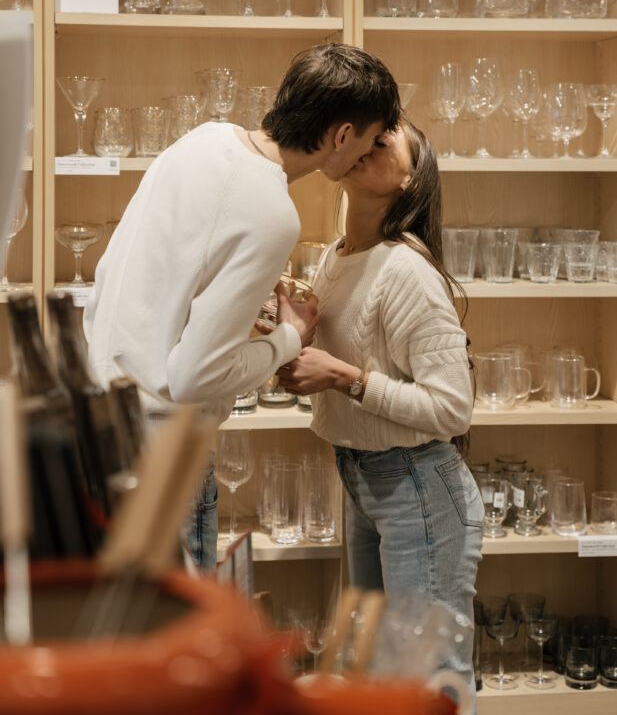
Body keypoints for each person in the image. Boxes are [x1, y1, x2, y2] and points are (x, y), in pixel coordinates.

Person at [83, 43, 401, 570]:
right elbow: (193, 376)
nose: (367, 156)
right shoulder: (273, 212)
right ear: (342, 134)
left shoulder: (201, 139)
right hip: (163, 449)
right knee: (180, 644)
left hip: (97, 426)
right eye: (368, 142)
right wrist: (289, 339)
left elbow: (131, 280)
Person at [277, 118, 483, 705]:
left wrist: (343, 377)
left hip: (418, 487)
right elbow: (348, 367)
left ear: (411, 178)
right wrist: (297, 341)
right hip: (368, 479)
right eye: (363, 134)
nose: (367, 143)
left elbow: (452, 409)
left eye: (385, 139)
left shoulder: (407, 269)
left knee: (427, 679)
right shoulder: (342, 257)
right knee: (379, 677)